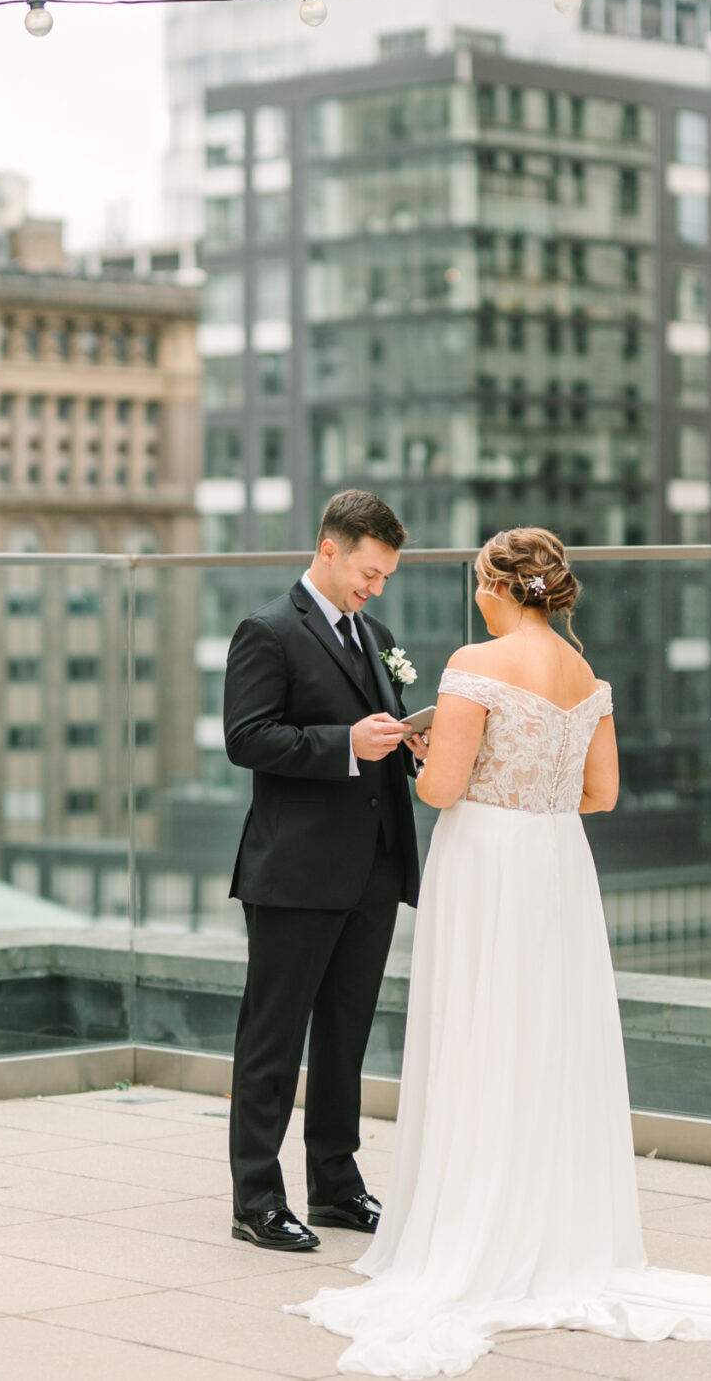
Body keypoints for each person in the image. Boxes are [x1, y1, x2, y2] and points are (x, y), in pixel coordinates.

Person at [291, 528, 711, 1377]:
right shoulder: (586, 677)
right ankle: (551, 1225)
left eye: (478, 583)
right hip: (558, 859)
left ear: (498, 584)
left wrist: (426, 753)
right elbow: (601, 792)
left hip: (486, 858)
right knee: (548, 1037)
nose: (475, 596)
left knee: (481, 1031)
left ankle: (475, 1227)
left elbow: (442, 788)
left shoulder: (473, 659)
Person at [221, 489, 430, 1253]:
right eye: (369, 572)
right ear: (329, 548)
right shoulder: (267, 630)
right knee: (272, 1039)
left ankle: (337, 1185)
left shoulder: (375, 633)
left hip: (372, 868)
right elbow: (247, 738)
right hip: (296, 872)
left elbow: (380, 733)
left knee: (345, 1036)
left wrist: (411, 746)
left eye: (385, 577)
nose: (376, 588)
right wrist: (346, 743)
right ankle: (256, 1197)